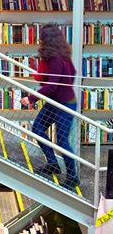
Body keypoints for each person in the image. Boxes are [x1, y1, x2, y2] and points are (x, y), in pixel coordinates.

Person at [20, 23, 79, 190]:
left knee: (61, 141)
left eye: (41, 37)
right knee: (38, 128)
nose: (39, 40)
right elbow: (72, 74)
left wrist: (31, 98)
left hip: (65, 104)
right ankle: (53, 163)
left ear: (47, 40)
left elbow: (52, 85)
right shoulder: (63, 56)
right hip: (55, 102)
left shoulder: (56, 59)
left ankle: (73, 177)